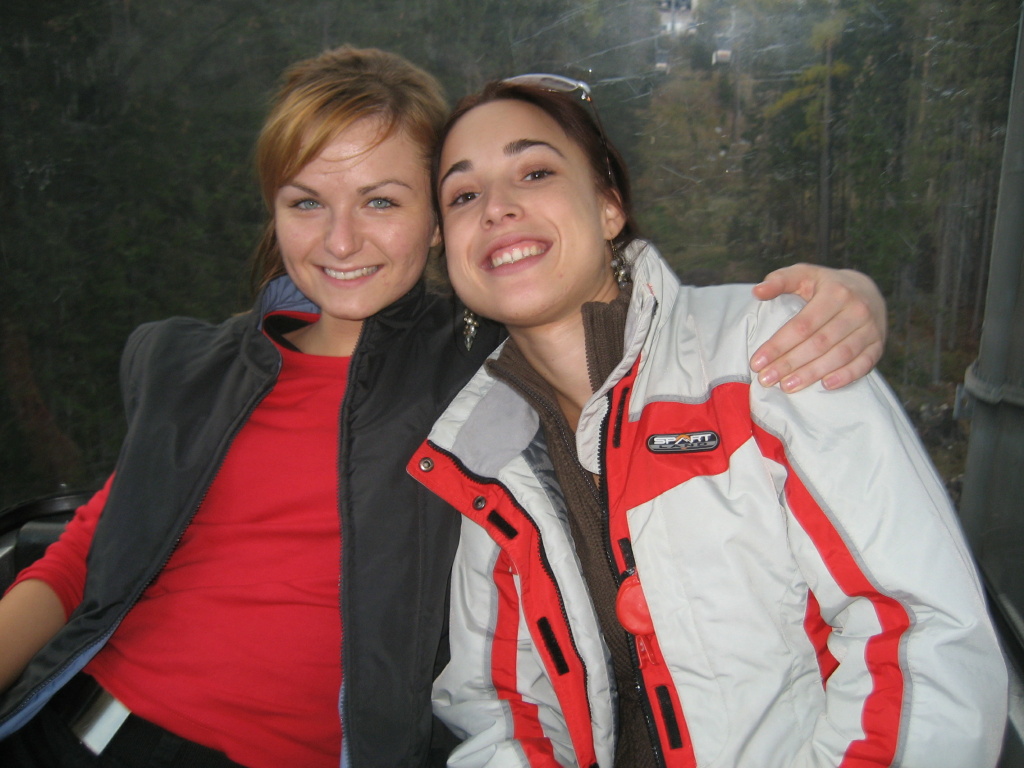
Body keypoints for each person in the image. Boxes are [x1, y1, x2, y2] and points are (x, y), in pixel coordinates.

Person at [0, 48, 886, 768]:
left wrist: (845, 295)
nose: (340, 240)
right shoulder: (194, 368)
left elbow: (616, 317)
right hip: (71, 724)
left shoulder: (473, 365)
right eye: (307, 202)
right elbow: (84, 558)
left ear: (437, 220)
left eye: (381, 202)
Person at [408, 77, 1008, 767]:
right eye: (463, 195)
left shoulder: (768, 353)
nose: (496, 208)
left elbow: (922, 637)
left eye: (535, 171)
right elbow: (501, 708)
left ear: (609, 206)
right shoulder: (483, 451)